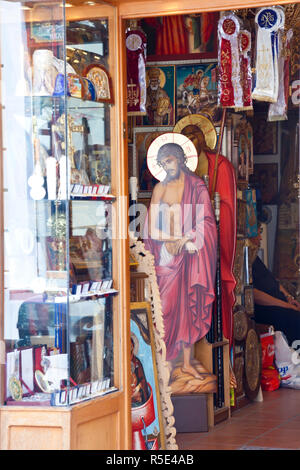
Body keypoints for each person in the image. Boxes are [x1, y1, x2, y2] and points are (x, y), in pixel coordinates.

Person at [144, 142, 217, 379]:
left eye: (170, 161)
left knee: (188, 305)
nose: (167, 166)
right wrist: (173, 239)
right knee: (166, 306)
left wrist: (187, 239)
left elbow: (206, 220)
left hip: (190, 253)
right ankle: (165, 360)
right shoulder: (159, 190)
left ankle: (186, 363)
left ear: (181, 159)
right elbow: (152, 229)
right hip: (167, 252)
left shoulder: (196, 186)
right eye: (163, 162)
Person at [180, 124, 237, 345]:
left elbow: (227, 209)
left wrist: (206, 212)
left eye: (195, 135)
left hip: (212, 244)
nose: (192, 140)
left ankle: (218, 355)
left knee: (213, 291)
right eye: (187, 137)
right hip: (186, 245)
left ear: (204, 138)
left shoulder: (220, 166)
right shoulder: (179, 167)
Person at [251, 225, 300, 345]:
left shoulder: (255, 258)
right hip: (266, 309)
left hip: (281, 303)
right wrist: (286, 306)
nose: (261, 238)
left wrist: (289, 298)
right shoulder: (246, 259)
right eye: (259, 233)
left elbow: (273, 282)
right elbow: (255, 295)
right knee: (294, 318)